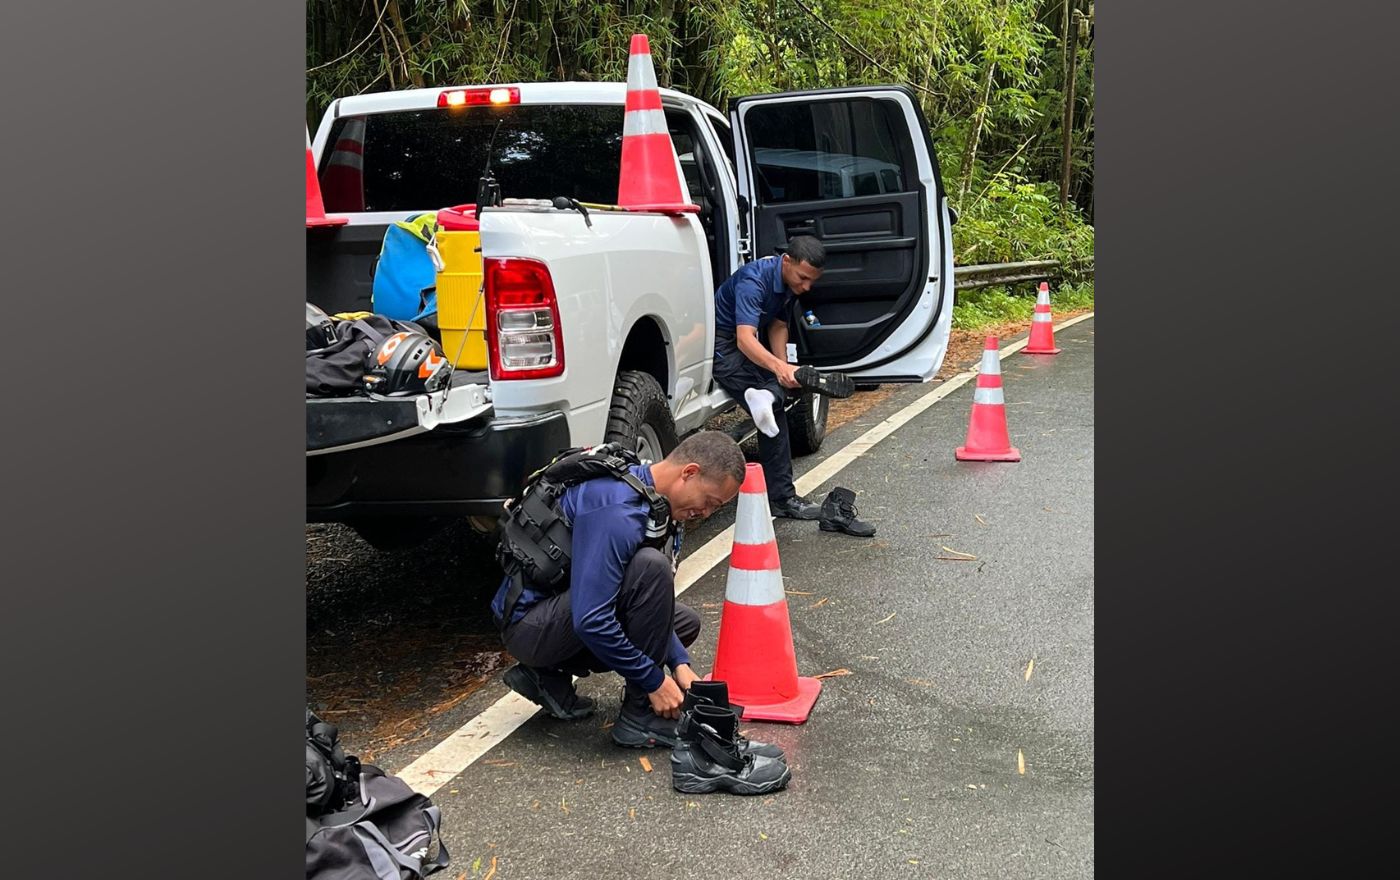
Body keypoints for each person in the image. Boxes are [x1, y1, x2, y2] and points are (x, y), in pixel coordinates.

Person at [491, 431, 746, 748]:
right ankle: (639, 719)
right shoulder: (617, 510)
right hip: (529, 626)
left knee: (682, 623)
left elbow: (641, 607)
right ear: (689, 472)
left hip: (557, 611)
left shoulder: (646, 493)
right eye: (708, 502)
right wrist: (654, 681)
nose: (705, 513)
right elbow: (592, 619)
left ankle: (545, 675)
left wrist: (680, 664)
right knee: (650, 570)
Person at [712, 235, 850, 519]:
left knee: (784, 388)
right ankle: (783, 499)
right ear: (786, 261)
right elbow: (744, 339)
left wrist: (785, 370)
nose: (807, 286)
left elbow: (777, 326)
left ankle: (769, 393)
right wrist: (778, 369)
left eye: (812, 280)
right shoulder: (754, 281)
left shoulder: (788, 283)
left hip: (747, 344)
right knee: (774, 407)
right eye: (803, 278)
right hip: (722, 347)